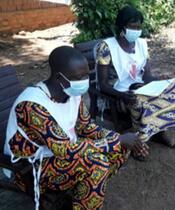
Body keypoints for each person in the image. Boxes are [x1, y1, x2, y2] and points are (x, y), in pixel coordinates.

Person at [4, 46, 148, 210]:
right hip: (29, 167)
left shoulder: (71, 92)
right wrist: (118, 140)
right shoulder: (32, 106)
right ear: (60, 78)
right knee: (98, 163)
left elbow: (88, 128)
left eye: (86, 74)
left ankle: (85, 192)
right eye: (78, 77)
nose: (84, 81)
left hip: (60, 153)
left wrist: (126, 141)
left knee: (120, 149)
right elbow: (64, 150)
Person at [96, 5, 175, 160]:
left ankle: (159, 132)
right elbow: (102, 84)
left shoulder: (142, 44)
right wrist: (122, 96)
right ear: (122, 27)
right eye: (132, 27)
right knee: (140, 100)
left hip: (140, 87)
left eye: (139, 27)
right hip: (118, 95)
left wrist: (159, 81)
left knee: (173, 87)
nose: (136, 30)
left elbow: (147, 76)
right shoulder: (106, 47)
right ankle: (139, 143)